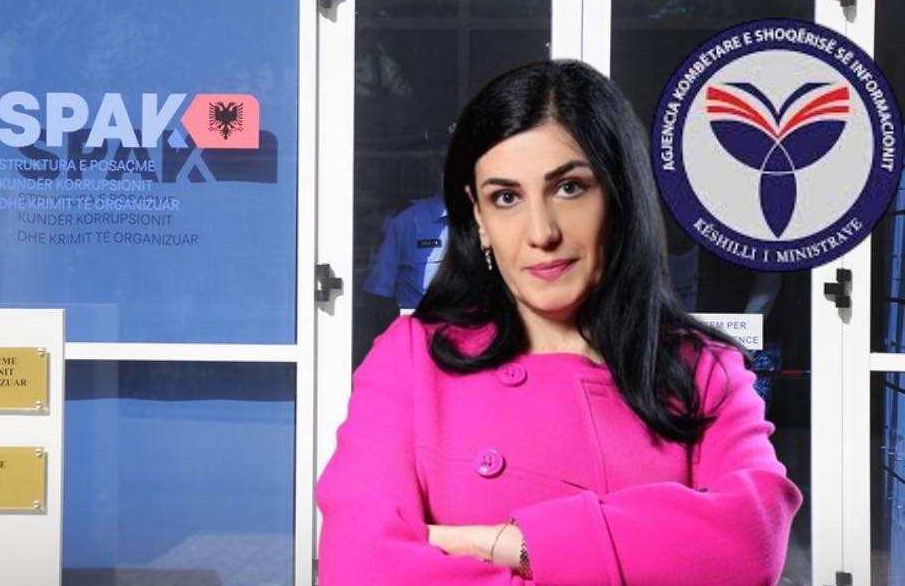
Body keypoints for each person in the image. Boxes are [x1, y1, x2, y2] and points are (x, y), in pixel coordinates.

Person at [314, 60, 802, 585]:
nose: (541, 232)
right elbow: (359, 566)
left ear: (618, 194)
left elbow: (752, 541)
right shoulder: (413, 358)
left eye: (569, 188)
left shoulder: (701, 369)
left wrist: (505, 543)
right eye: (506, 198)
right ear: (478, 218)